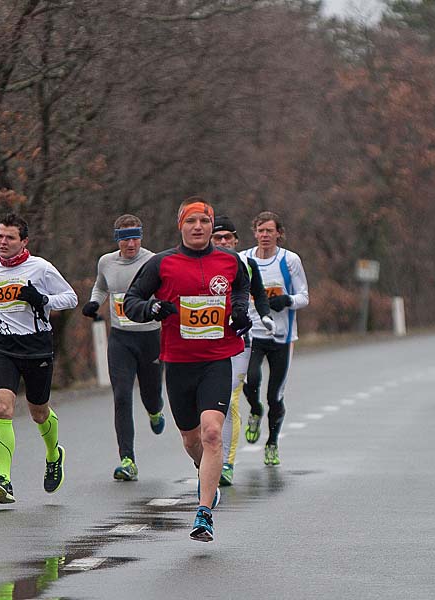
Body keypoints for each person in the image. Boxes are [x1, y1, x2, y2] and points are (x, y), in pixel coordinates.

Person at [124, 197, 252, 542]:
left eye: (204, 221)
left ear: (212, 226)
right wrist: (153, 308)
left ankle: (204, 513)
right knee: (192, 439)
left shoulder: (229, 261)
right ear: (180, 225)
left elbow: (242, 288)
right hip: (179, 362)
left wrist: (240, 311)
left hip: (216, 359)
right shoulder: (161, 264)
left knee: (212, 433)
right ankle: (203, 469)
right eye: (191, 221)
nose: (198, 227)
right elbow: (131, 302)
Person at [0, 213, 78, 504]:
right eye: (0, 236)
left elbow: (71, 297)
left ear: (24, 242)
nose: (3, 242)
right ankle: (4, 480)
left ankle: (54, 454)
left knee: (39, 412)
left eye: (10, 237)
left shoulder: (41, 268)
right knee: (2, 408)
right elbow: (0, 302)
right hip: (3, 346)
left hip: (36, 347)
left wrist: (43, 300)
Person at [81, 215, 166, 482]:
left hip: (150, 338)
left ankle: (155, 410)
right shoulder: (106, 262)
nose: (131, 244)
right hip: (121, 339)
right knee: (121, 396)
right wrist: (94, 303)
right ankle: (127, 460)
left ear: (141, 237)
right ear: (117, 239)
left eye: (135, 238)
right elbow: (101, 287)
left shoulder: (153, 261)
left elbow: (165, 293)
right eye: (125, 239)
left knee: (151, 395)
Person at [240, 211, 309, 467]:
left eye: (270, 231)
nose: (265, 235)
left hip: (282, 336)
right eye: (261, 230)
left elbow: (304, 296)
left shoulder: (289, 260)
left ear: (279, 233)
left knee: (275, 395)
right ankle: (255, 410)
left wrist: (286, 300)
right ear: (254, 232)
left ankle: (272, 443)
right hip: (252, 333)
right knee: (250, 380)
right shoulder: (243, 259)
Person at [210, 215, 273, 486]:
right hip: (205, 342)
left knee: (229, 400)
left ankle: (226, 463)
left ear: (236, 240)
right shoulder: (198, 264)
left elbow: (260, 294)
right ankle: (207, 458)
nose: (223, 242)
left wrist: (265, 316)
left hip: (239, 341)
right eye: (218, 237)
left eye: (228, 237)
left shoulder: (246, 264)